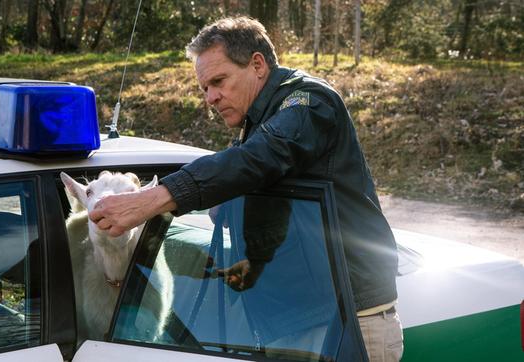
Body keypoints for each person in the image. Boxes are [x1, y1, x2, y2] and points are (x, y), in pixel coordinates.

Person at [90, 16, 403, 361]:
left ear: (257, 64)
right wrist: (256, 261)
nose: (210, 98)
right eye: (204, 88)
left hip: (349, 321)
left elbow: (259, 159)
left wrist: (152, 199)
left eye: (218, 81)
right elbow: (285, 206)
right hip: (306, 319)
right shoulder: (261, 121)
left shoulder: (309, 103)